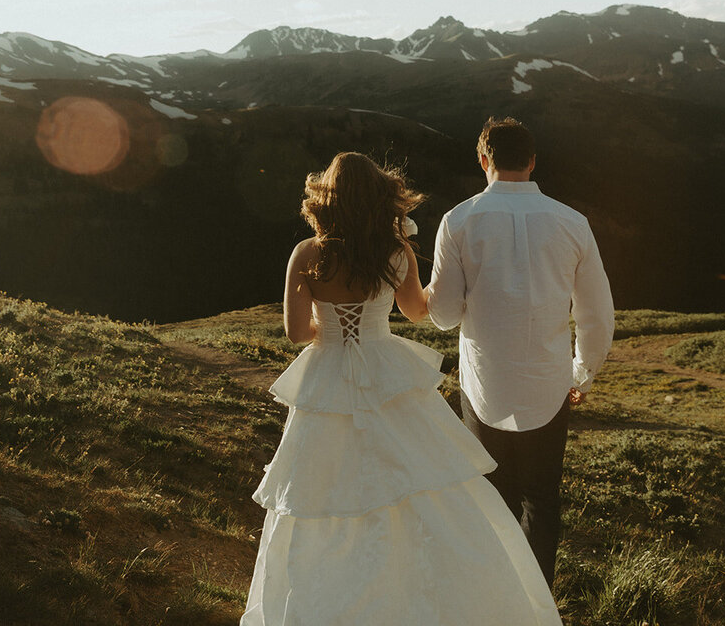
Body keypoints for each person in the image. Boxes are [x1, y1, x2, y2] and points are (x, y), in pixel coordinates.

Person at [242, 151, 562, 626]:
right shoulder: (396, 252)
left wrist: (328, 328)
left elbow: (294, 333)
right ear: (380, 196)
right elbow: (416, 311)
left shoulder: (307, 255)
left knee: (322, 486)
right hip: (387, 369)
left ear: (324, 198)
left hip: (326, 375)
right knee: (418, 480)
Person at [425, 116, 615, 587]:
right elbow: (597, 316)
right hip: (549, 386)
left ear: (482, 159)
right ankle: (537, 606)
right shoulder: (574, 223)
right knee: (541, 499)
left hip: (483, 385)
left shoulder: (458, 221)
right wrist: (582, 375)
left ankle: (492, 598)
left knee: (491, 497)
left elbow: (444, 315)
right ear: (532, 162)